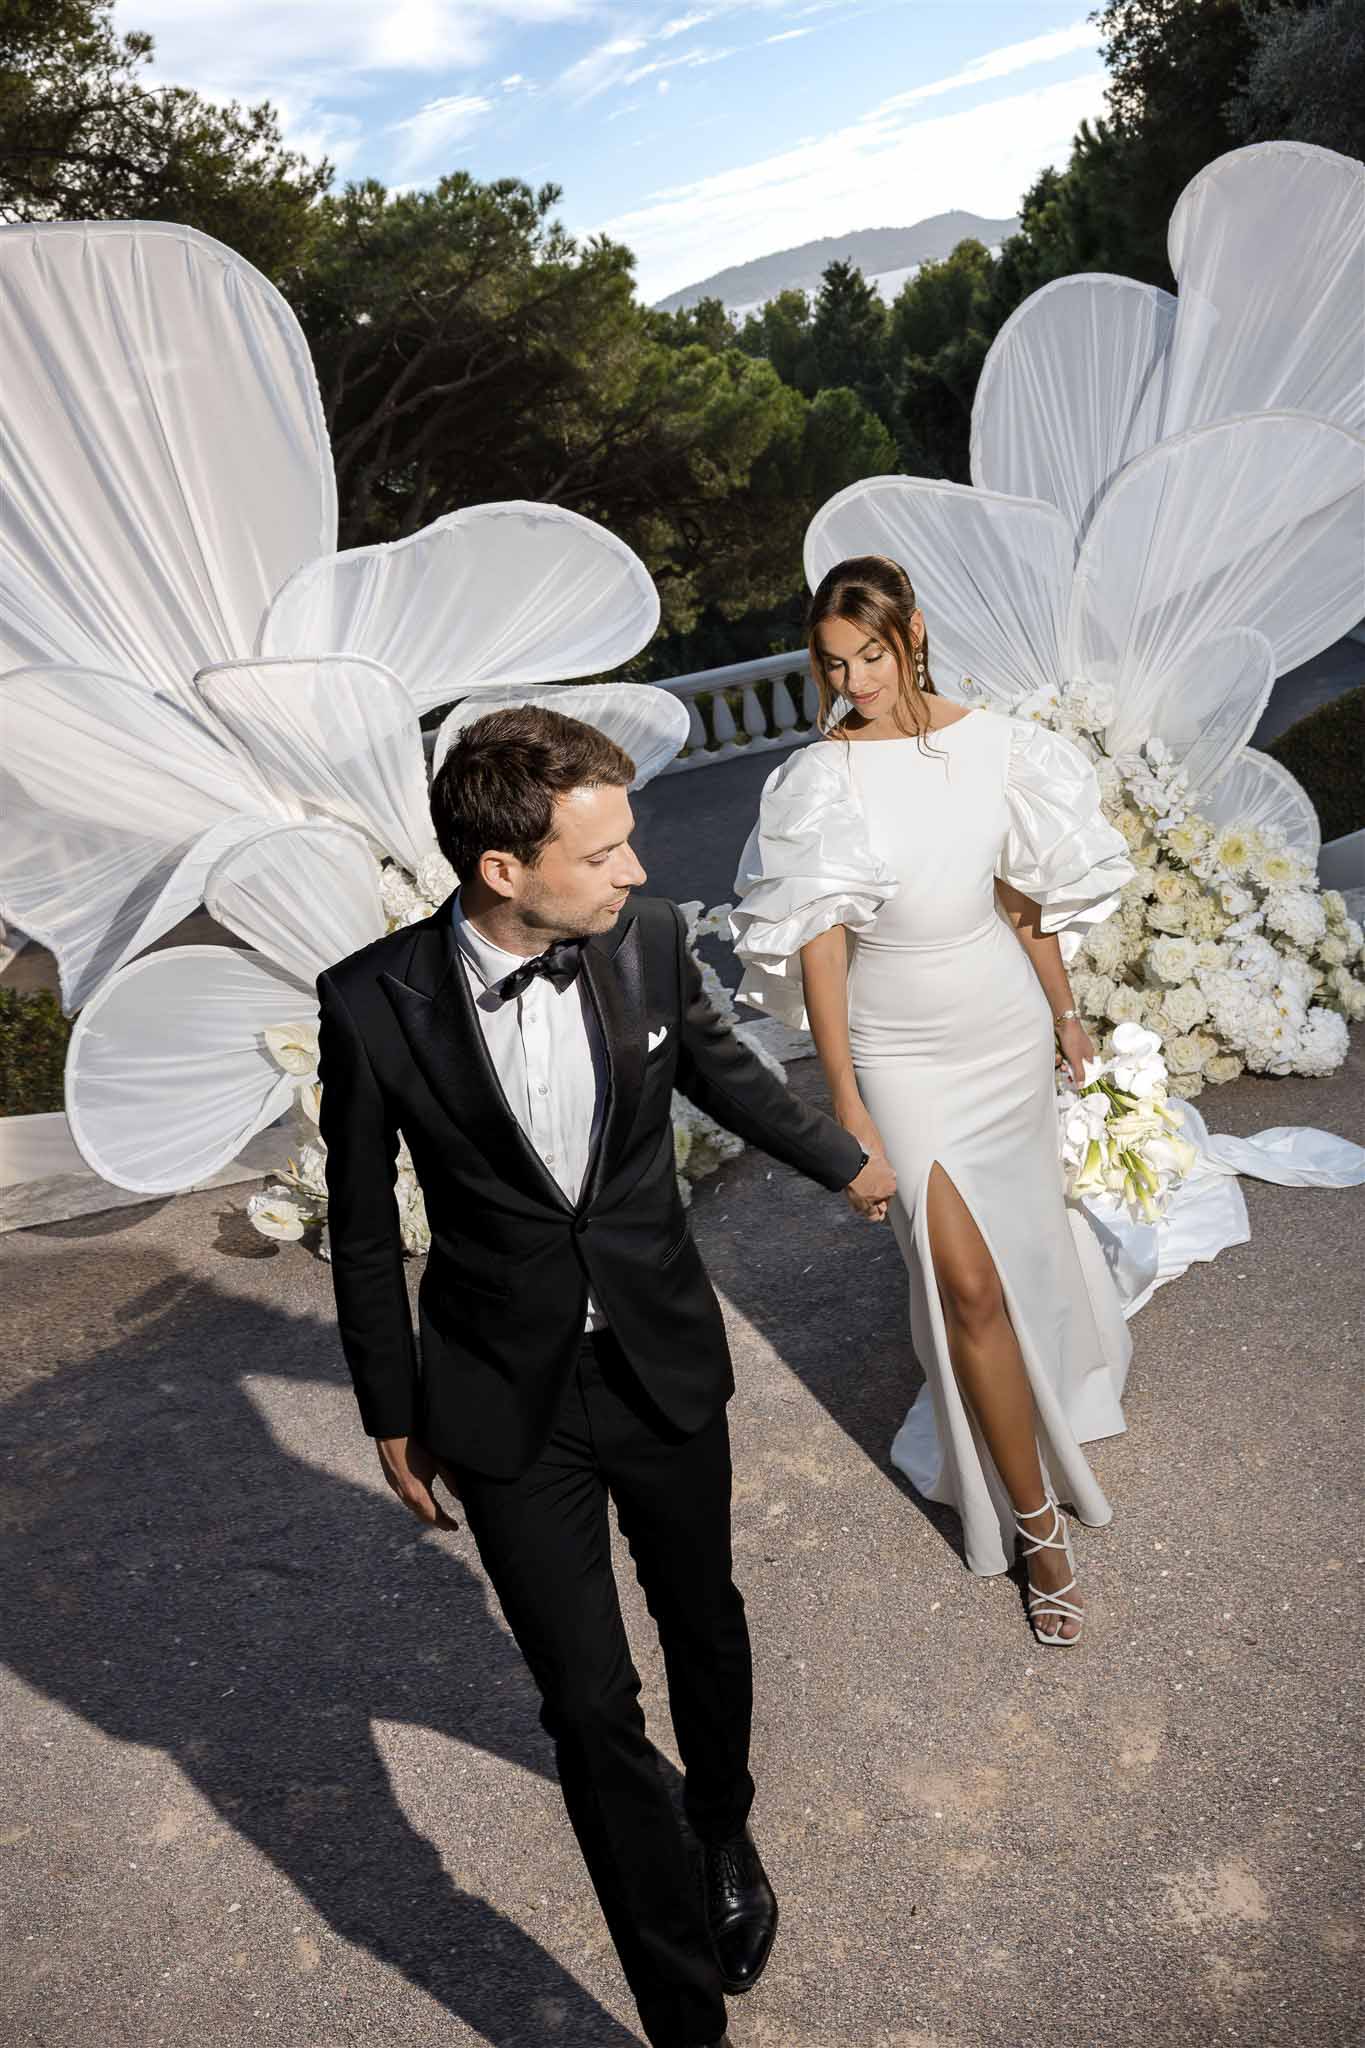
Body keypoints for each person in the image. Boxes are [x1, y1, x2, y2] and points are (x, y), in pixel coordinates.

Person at [316, 702, 896, 2048]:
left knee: (702, 1619)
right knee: (585, 1706)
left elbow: (724, 1072)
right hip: (503, 1395)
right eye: (605, 850)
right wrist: (391, 1410)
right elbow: (357, 1222)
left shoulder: (643, 942)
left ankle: (725, 1828)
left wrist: (842, 1157)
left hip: (658, 1360)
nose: (637, 871)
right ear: (503, 868)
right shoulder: (371, 1001)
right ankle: (682, 2017)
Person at [731, 555, 1136, 1645]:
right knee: (964, 1283)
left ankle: (1050, 1387)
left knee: (1023, 1248)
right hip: (898, 1051)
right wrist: (847, 1109)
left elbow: (1026, 901)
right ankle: (1038, 1529)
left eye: (869, 654)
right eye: (832, 662)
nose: (853, 680)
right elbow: (821, 958)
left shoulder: (996, 744)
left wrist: (1063, 1015)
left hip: (1000, 1025)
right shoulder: (822, 780)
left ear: (910, 633)